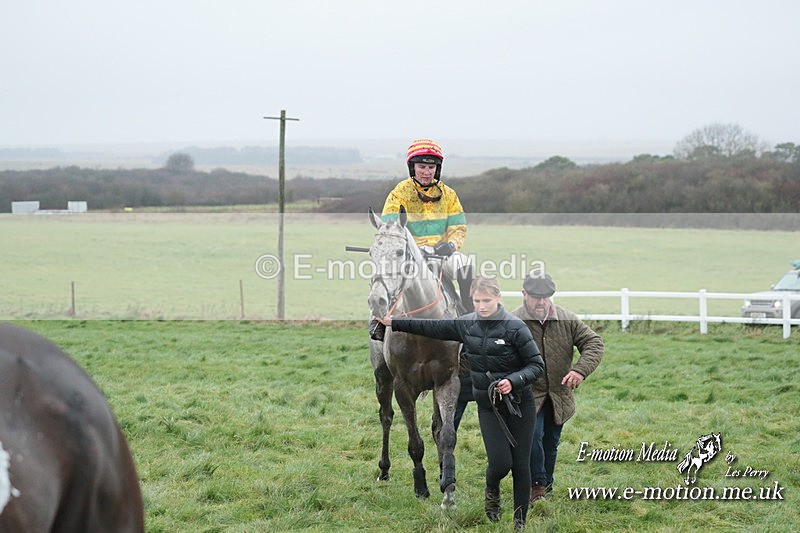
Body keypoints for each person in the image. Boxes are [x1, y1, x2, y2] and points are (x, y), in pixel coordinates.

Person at [375, 277, 544, 530]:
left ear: (499, 298)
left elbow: (536, 365)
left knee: (521, 464)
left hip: (519, 403)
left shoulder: (515, 327)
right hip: (488, 405)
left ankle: (519, 523)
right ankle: (492, 491)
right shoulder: (466, 324)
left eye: (487, 301)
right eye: (477, 301)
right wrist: (393, 322)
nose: (482, 306)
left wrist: (513, 380)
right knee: (500, 464)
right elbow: (431, 328)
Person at [510, 273, 604, 502]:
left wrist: (580, 370)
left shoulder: (567, 319)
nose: (541, 302)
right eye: (535, 297)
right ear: (524, 294)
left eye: (546, 297)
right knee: (533, 437)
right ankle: (537, 486)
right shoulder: (512, 322)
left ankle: (545, 486)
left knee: (551, 443)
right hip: (528, 393)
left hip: (559, 394)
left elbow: (594, 343)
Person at [369, 138, 474, 341]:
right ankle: (379, 321)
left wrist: (451, 245)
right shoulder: (398, 194)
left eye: (431, 167)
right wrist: (414, 248)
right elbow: (391, 231)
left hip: (442, 255)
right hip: (409, 255)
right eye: (422, 166)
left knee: (467, 266)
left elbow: (459, 227)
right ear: (412, 167)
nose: (426, 172)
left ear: (437, 169)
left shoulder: (449, 195)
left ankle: (471, 322)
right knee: (386, 273)